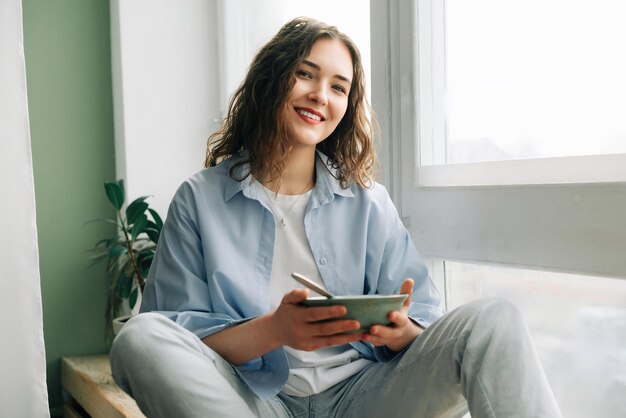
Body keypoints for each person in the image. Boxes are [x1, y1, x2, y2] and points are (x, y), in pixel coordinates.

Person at [110, 17, 562, 418]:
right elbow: (180, 334)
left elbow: (424, 317)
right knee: (140, 338)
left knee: (495, 319)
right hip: (252, 401)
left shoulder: (368, 202)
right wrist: (275, 330)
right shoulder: (199, 199)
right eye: (305, 74)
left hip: (366, 397)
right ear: (272, 80)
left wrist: (402, 332)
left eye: (338, 86)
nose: (320, 95)